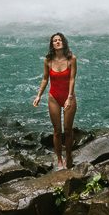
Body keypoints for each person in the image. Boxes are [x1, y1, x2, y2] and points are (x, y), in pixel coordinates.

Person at [33, 30, 77, 169]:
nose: (57, 42)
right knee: (57, 130)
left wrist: (69, 97)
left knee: (68, 130)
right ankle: (59, 159)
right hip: (54, 97)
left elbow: (72, 79)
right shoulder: (48, 60)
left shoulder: (72, 59)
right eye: (54, 41)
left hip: (68, 96)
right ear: (52, 44)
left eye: (59, 40)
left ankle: (68, 156)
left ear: (63, 42)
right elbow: (45, 78)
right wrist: (39, 95)